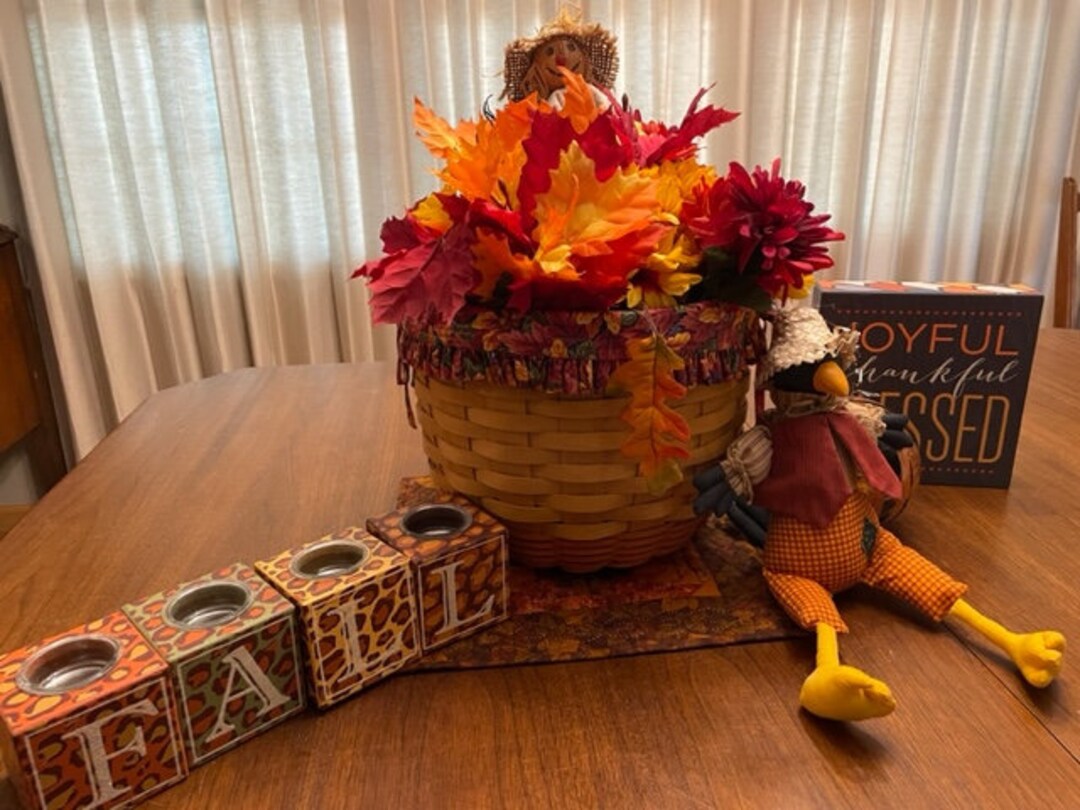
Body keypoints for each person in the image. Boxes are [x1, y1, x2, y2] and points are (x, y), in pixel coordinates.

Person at [501, 9, 619, 110]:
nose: (562, 58)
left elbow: (606, 109)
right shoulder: (554, 98)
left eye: (571, 48)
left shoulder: (591, 91)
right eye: (549, 52)